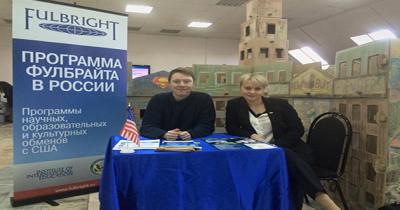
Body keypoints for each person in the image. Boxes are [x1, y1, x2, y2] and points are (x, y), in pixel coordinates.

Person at [225, 73, 341, 210]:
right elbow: (231, 127)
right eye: (248, 88)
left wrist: (275, 146)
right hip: (258, 154)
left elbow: (297, 129)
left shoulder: (280, 105)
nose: (252, 92)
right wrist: (250, 134)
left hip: (292, 150)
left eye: (257, 89)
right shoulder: (234, 105)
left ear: (264, 90)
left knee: (285, 156)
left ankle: (326, 202)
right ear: (241, 88)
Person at [140, 67, 215, 140]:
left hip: (195, 141)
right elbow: (147, 127)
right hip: (163, 143)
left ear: (193, 83)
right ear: (169, 83)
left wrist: (192, 133)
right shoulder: (157, 100)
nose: (182, 85)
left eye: (187, 81)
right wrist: (164, 134)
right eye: (176, 81)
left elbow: (207, 126)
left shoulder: (204, 99)